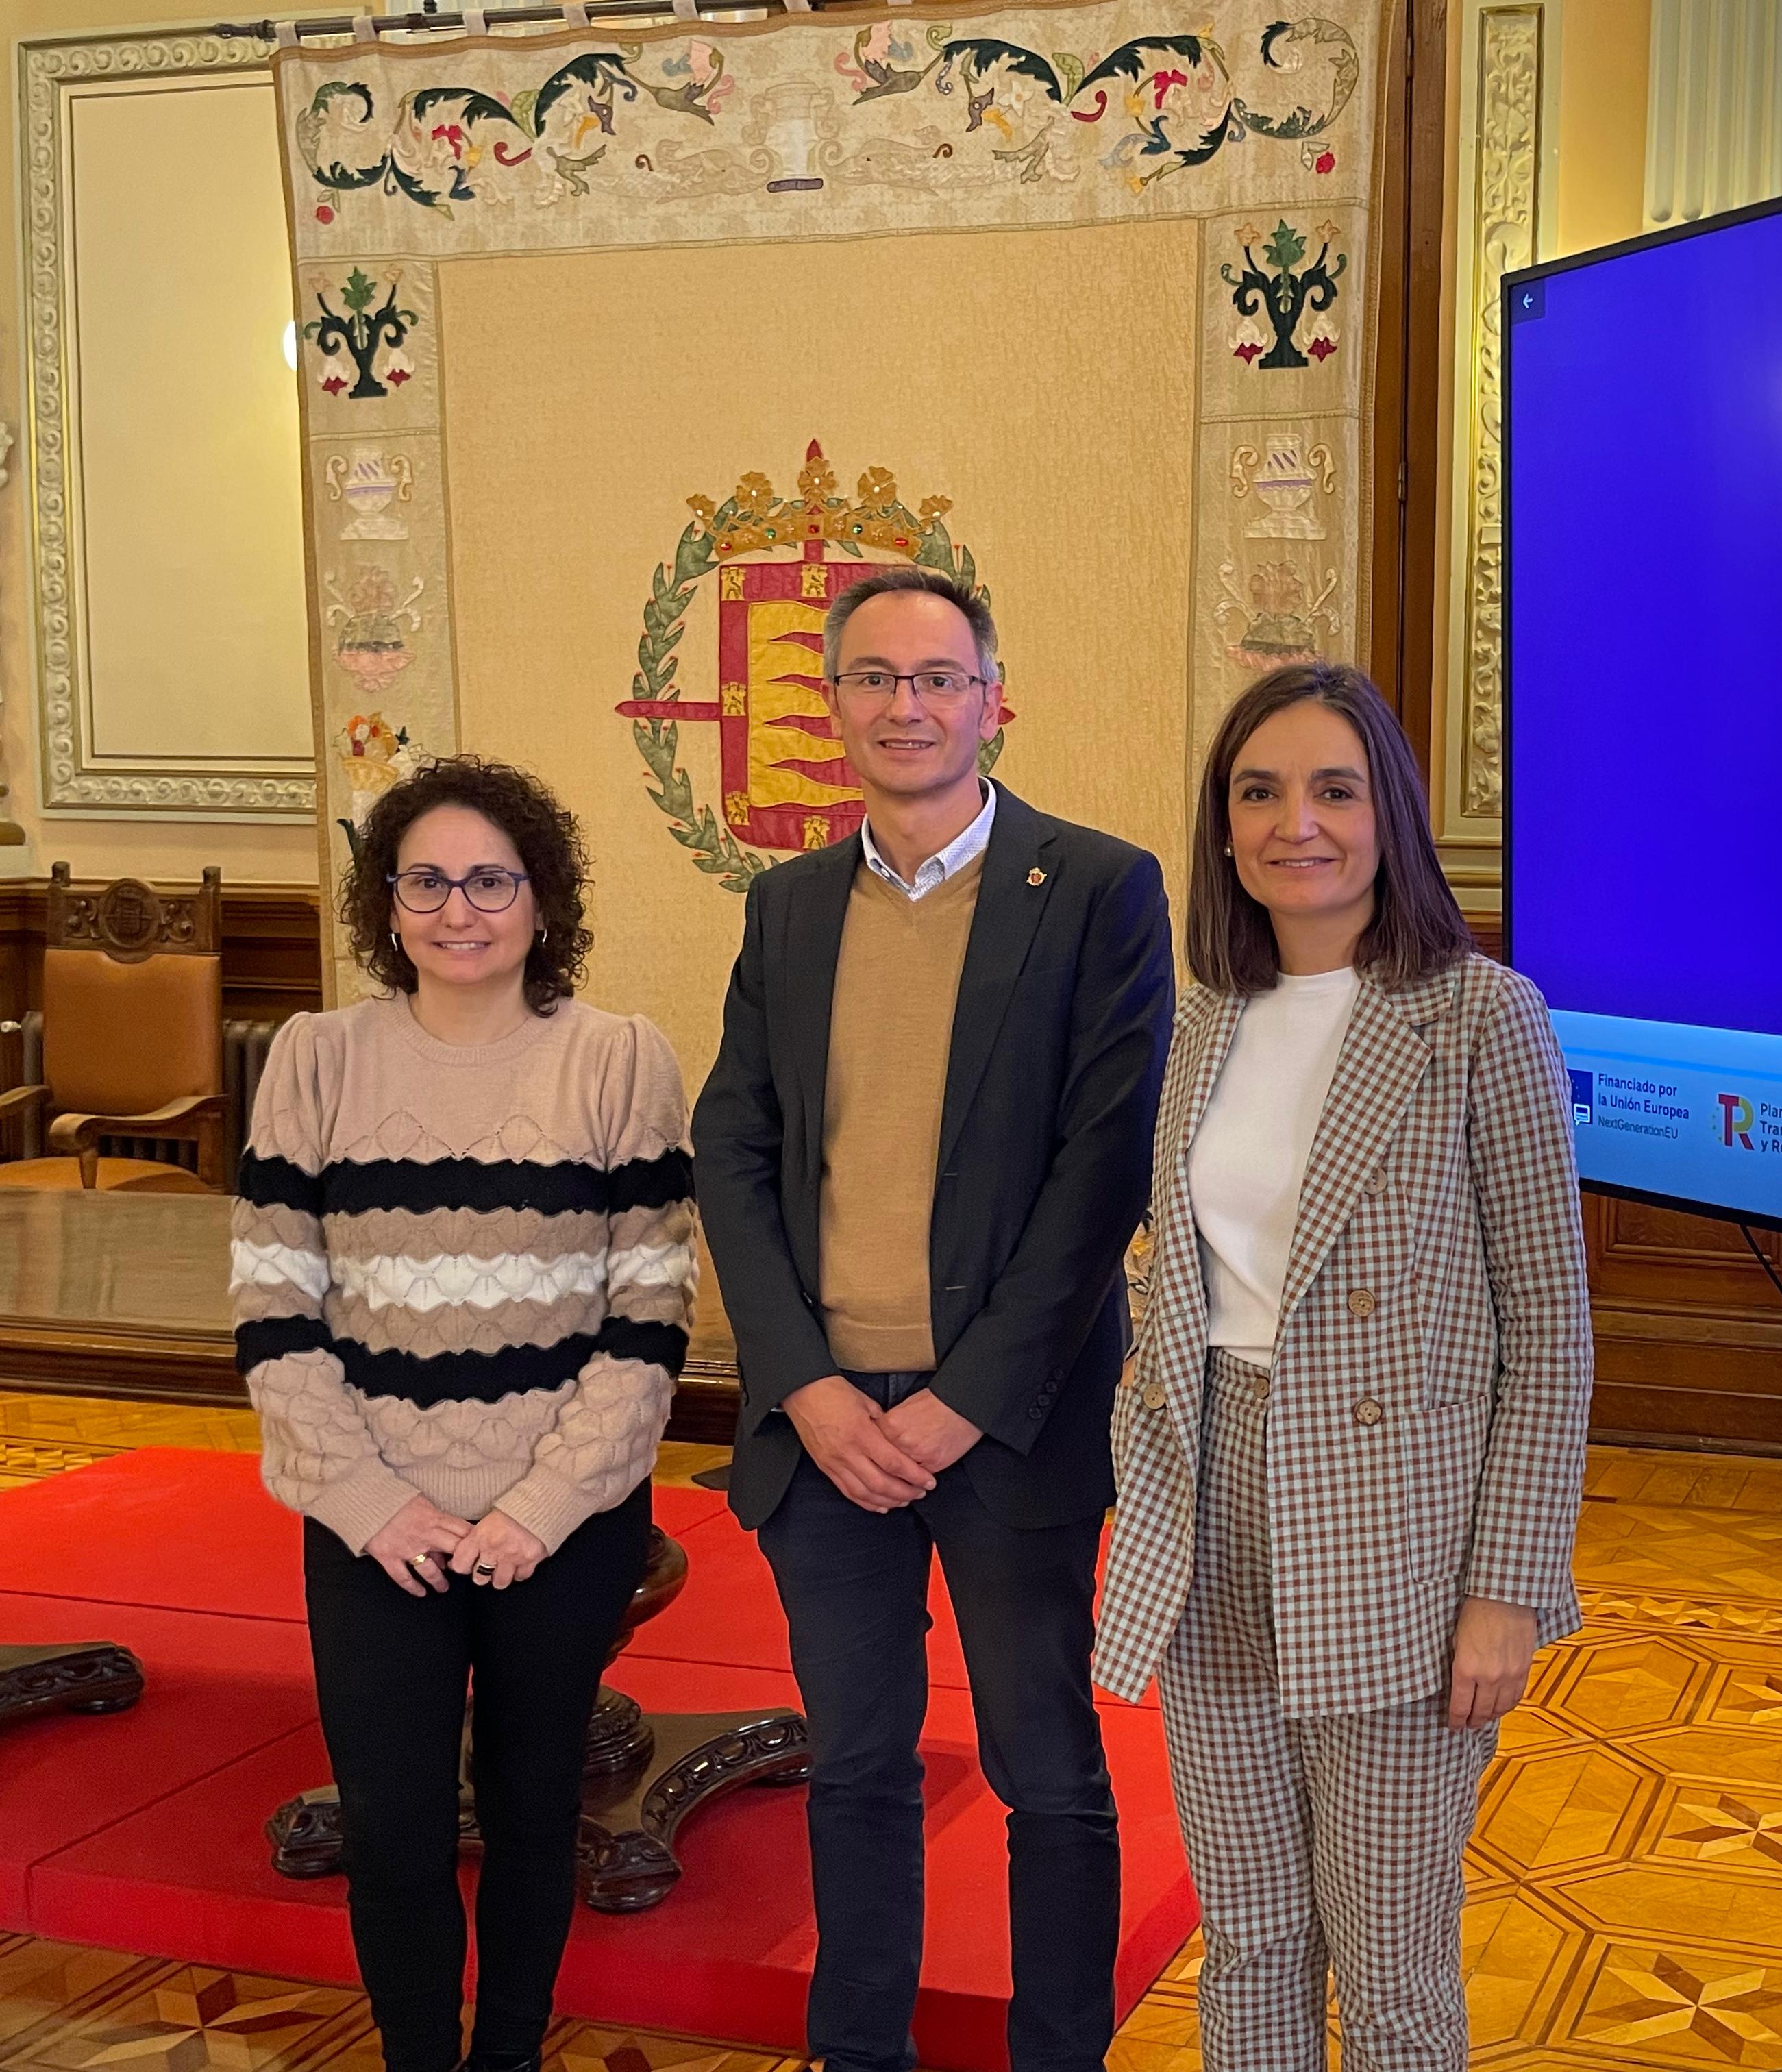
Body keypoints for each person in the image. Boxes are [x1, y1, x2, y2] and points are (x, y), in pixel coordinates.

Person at [692, 564, 1172, 2072]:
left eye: (937, 678)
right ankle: (860, 2053)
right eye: (874, 679)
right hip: (827, 1424)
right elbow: (733, 1146)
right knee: (854, 1768)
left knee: (1049, 1776)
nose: (906, 706)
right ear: (833, 707)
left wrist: (964, 1401)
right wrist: (805, 1385)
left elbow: (1104, 1170)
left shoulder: (1096, 889)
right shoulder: (786, 906)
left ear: (992, 700)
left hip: (1010, 1422)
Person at [1094, 661, 1594, 2071]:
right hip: (1213, 1514)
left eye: (1334, 790)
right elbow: (1179, 1282)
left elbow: (1550, 1330)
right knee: (1250, 1941)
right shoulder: (1206, 1018)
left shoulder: (1480, 1016)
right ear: (1224, 823)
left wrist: (1506, 1589)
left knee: (1389, 1974)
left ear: (1392, 816)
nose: (1294, 823)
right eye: (1259, 793)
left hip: (1397, 1540)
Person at [232, 757, 695, 2072]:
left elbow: (649, 1320)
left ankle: (510, 2056)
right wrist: (376, 1507)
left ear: (543, 898)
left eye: (492, 881)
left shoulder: (617, 1059)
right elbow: (273, 1315)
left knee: (536, 1818)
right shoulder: (317, 1059)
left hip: (562, 1528)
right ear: (386, 904)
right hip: (378, 1530)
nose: (459, 910)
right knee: (391, 1829)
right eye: (425, 882)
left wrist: (538, 1511)